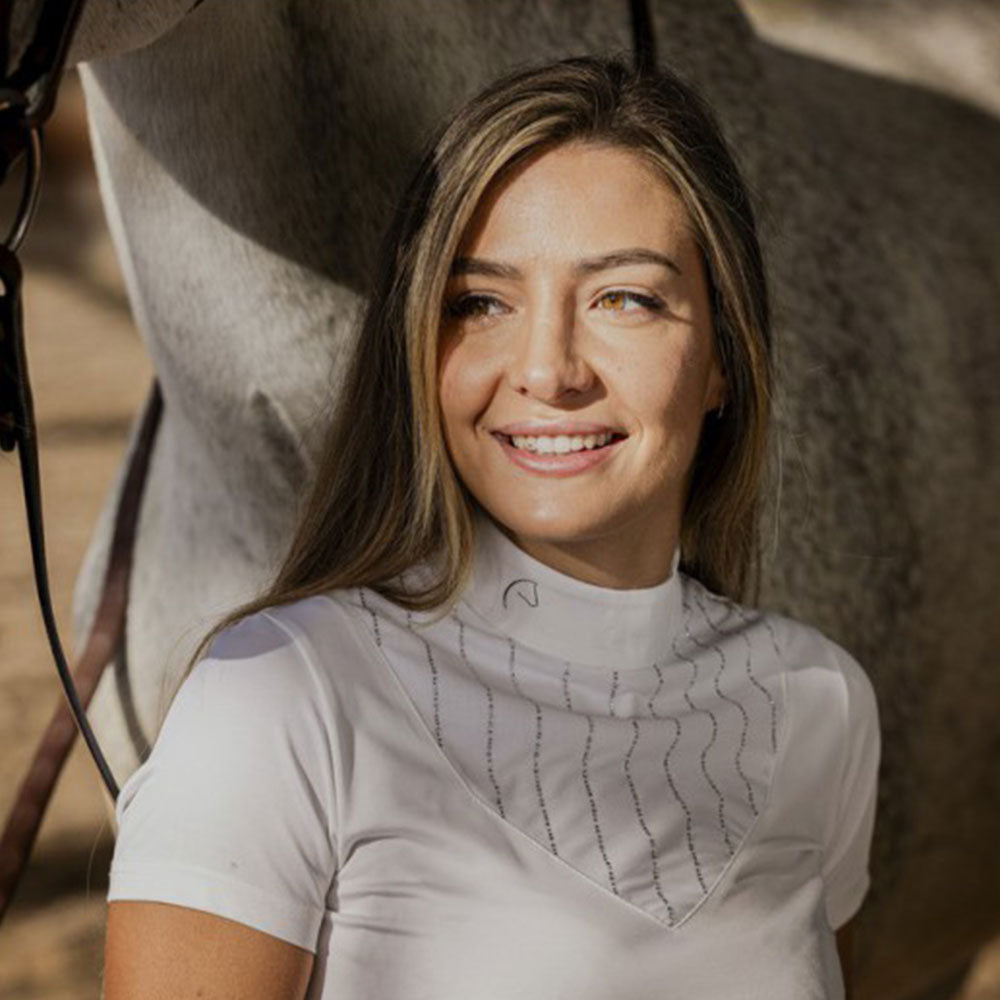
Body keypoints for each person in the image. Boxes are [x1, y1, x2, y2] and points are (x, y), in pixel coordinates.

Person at [101, 54, 880, 1000]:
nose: (548, 370)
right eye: (482, 303)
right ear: (422, 349)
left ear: (723, 357)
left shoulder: (819, 703)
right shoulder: (279, 697)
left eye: (623, 298)